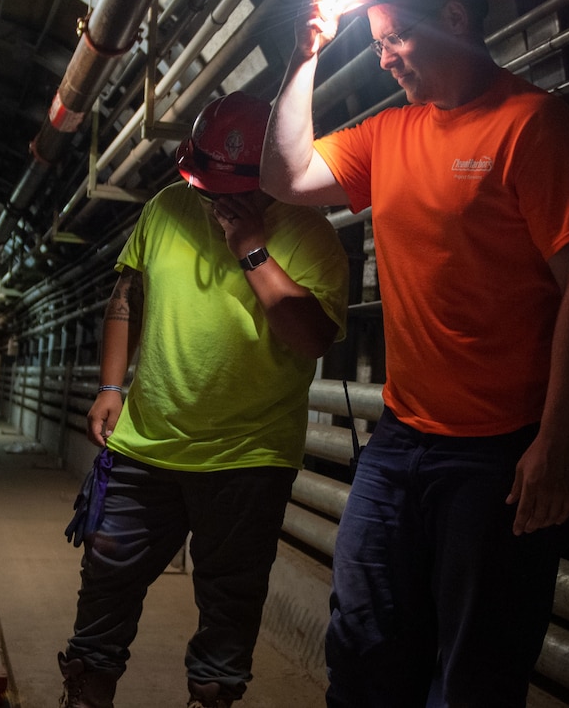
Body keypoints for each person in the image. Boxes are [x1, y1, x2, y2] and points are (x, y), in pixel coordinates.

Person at [260, 0, 569, 707]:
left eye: (394, 39)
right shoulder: (390, 133)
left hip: (499, 456)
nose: (384, 57)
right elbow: (285, 173)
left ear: (455, 19)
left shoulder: (534, 126)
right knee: (361, 647)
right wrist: (306, 54)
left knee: (473, 675)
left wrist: (557, 442)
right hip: (402, 442)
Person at [57, 91, 352, 708]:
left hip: (248, 453)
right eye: (205, 182)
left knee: (229, 598)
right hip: (149, 440)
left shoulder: (311, 236)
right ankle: (86, 693)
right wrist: (112, 387)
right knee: (106, 572)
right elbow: (127, 296)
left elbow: (311, 338)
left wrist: (251, 248)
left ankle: (211, 698)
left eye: (227, 187)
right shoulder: (168, 206)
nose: (212, 197)